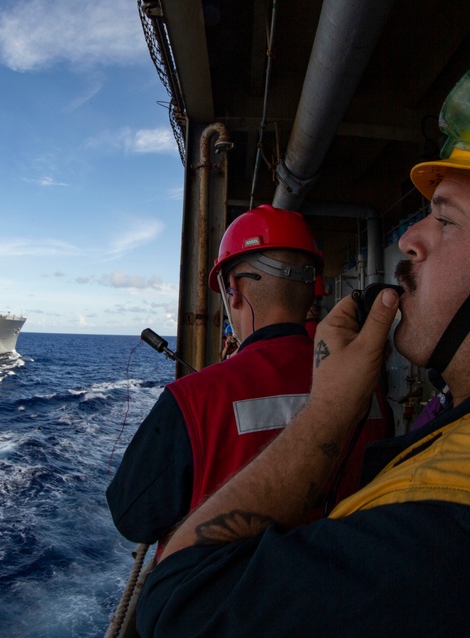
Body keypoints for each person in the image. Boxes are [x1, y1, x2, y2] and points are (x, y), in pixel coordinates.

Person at [136, 69, 470, 638]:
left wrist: (327, 413)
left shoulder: (456, 547)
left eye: (446, 220)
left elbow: (178, 600)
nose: (409, 239)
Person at [106, 205, 329, 553]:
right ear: (315, 286)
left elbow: (133, 519)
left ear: (235, 290)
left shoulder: (193, 399)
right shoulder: (364, 387)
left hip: (223, 602)